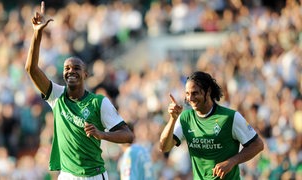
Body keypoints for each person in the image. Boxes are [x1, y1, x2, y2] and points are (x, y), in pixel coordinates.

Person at [25, 1, 134, 179]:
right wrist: (37, 34)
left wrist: (101, 134)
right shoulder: (56, 96)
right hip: (67, 175)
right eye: (67, 68)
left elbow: (128, 135)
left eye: (76, 68)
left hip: (94, 174)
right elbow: (31, 69)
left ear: (85, 74)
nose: (71, 71)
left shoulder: (98, 102)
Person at [159, 71, 264, 179]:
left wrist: (232, 162)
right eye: (187, 94)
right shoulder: (185, 118)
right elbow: (164, 147)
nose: (190, 98)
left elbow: (258, 145)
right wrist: (172, 119)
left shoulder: (230, 117)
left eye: (195, 93)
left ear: (208, 91)